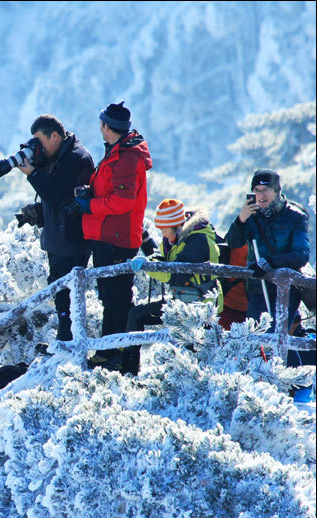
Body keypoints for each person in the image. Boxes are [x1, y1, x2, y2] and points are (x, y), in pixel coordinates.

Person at [71, 101, 152, 366]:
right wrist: (91, 193)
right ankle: (113, 353)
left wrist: (90, 204)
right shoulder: (119, 152)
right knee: (112, 296)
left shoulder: (126, 157)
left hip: (116, 239)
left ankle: (115, 355)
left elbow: (123, 201)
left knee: (116, 298)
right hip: (111, 236)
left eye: (101, 123)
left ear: (107, 126)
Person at [14, 114, 95, 341]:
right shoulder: (57, 155)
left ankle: (70, 340)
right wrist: (39, 213)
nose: (37, 147)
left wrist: (33, 173)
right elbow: (53, 199)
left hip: (70, 241)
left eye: (40, 141)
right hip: (58, 237)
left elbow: (60, 196)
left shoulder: (77, 158)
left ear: (55, 136)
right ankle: (65, 336)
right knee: (60, 292)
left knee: (69, 294)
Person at [121, 200, 221, 375]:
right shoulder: (174, 239)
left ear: (176, 225)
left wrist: (149, 266)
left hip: (201, 305)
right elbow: (164, 260)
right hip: (180, 300)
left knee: (194, 348)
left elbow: (175, 275)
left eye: (165, 230)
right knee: (136, 315)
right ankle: (129, 372)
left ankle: (198, 381)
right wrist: (151, 260)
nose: (163, 235)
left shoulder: (199, 240)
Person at [224, 169, 309, 333]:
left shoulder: (295, 217)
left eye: (266, 190)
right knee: (254, 339)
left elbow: (301, 254)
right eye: (257, 190)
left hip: (286, 289)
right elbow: (233, 243)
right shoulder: (251, 216)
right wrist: (241, 220)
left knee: (277, 338)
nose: (261, 195)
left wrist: (269, 262)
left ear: (277, 191)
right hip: (258, 290)